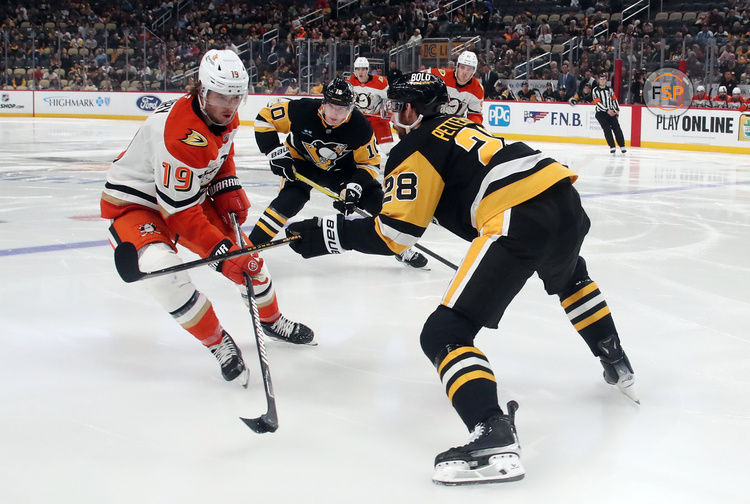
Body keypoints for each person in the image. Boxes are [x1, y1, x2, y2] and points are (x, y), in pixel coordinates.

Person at [283, 71, 638, 485]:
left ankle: (491, 430)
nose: (392, 114)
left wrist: (327, 236)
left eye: (397, 106)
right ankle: (613, 356)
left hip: (515, 216)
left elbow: (395, 235)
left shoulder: (412, 146)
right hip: (564, 199)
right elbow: (424, 196)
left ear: (410, 110)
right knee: (572, 277)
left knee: (443, 334)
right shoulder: (462, 127)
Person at [100, 50, 314, 384]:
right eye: (220, 96)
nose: (229, 106)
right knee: (162, 272)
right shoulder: (179, 134)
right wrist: (220, 251)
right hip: (137, 205)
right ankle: (217, 342)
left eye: (236, 97)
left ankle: (272, 320)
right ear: (202, 90)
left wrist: (227, 184)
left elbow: (221, 154)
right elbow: (179, 213)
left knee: (251, 262)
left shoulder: (222, 116)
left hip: (186, 197)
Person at [251, 77, 428, 268]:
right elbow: (265, 118)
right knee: (289, 202)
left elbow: (370, 163)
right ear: (323, 103)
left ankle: (402, 248)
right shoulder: (301, 110)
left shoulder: (360, 126)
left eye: (342, 108)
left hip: (343, 171)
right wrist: (274, 151)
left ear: (351, 108)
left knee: (379, 202)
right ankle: (250, 248)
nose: (336, 114)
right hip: (302, 164)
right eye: (332, 107)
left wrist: (355, 186)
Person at [346, 57, 393, 148]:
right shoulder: (349, 82)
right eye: (358, 69)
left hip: (377, 118)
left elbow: (389, 98)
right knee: (352, 146)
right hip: (357, 119)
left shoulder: (380, 82)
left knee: (387, 148)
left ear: (367, 70)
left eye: (363, 69)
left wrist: (388, 112)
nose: (360, 72)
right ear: (354, 70)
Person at [430, 50, 484, 123]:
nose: (464, 72)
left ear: (473, 71)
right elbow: (419, 76)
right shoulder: (441, 76)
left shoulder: (477, 88)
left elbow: (475, 115)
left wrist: (472, 128)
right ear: (457, 67)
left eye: (469, 69)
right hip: (432, 120)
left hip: (454, 125)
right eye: (462, 67)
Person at [592, 73, 627, 154]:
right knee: (607, 129)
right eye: (601, 79)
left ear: (606, 80)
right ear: (598, 80)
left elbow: (614, 100)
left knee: (617, 128)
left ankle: (622, 145)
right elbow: (597, 102)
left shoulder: (609, 90)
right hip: (601, 113)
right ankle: (612, 146)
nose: (602, 81)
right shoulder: (595, 90)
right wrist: (607, 110)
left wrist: (617, 109)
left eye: (604, 79)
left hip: (611, 112)